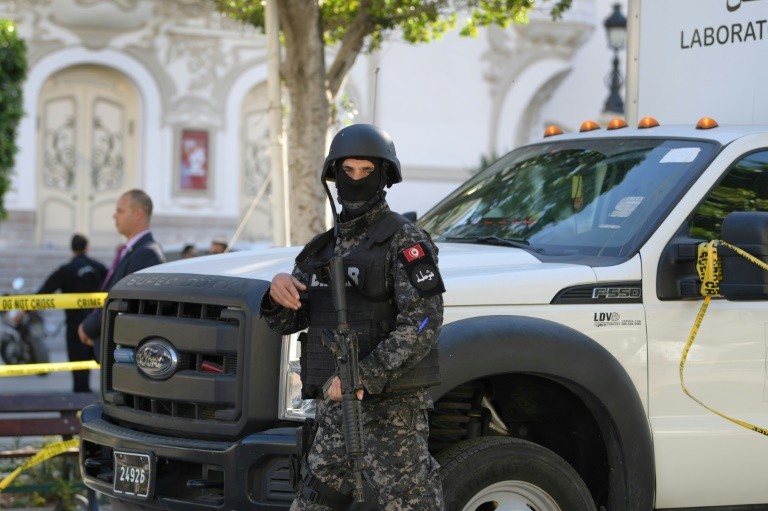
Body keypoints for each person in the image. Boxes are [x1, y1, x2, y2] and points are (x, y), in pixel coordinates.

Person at [260, 124, 446, 510]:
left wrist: (363, 375)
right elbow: (288, 322)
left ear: (384, 176)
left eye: (366, 171)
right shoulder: (322, 248)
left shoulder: (405, 240)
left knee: (409, 504)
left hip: (392, 413)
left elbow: (424, 322)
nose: (356, 179)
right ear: (334, 174)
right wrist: (277, 292)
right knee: (312, 502)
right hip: (333, 413)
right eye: (348, 170)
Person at [78, 189, 165, 360]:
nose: (114, 216)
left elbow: (123, 301)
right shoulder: (134, 250)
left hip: (124, 352)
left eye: (120, 211)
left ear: (137, 213)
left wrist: (88, 327)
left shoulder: (146, 253)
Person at [37, 234, 107, 392]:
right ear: (87, 247)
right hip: (98, 325)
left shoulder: (66, 269)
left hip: (75, 327)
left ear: (72, 248)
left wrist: (24, 311)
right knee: (105, 368)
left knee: (79, 373)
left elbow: (45, 291)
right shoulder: (99, 267)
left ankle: (80, 401)